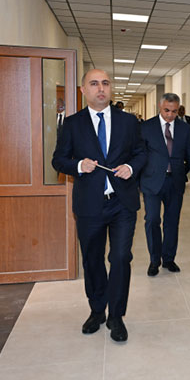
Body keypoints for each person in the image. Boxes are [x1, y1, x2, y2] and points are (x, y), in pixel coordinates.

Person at [52, 69, 146, 342]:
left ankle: (116, 316)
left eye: (105, 83)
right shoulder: (73, 124)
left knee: (120, 258)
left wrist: (131, 167)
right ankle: (97, 310)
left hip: (122, 203)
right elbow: (58, 159)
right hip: (89, 205)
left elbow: (141, 153)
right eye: (94, 84)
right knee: (92, 259)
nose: (101, 88)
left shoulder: (128, 121)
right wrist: (79, 165)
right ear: (84, 90)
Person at [141, 93, 190, 276]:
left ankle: (168, 259)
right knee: (152, 220)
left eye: (174, 111)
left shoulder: (185, 129)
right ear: (160, 107)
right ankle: (154, 260)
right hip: (152, 181)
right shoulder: (146, 127)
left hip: (175, 181)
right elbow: (139, 155)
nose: (170, 115)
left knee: (172, 222)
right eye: (166, 110)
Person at [178, 105, 190, 182]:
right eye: (180, 110)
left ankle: (182, 175)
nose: (181, 112)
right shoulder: (174, 120)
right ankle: (180, 177)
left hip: (188, 146)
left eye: (183, 110)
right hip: (178, 147)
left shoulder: (189, 119)